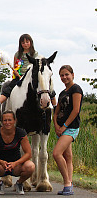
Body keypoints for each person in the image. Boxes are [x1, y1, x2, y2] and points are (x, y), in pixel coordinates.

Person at [0, 110, 35, 195]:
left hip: (16, 166)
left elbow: (28, 153)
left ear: (15, 121)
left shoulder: (21, 133)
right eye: (5, 120)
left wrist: (15, 163)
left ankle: (19, 183)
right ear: (1, 122)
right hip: (0, 166)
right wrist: (0, 162)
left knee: (30, 166)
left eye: (10, 120)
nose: (7, 123)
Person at [53, 65, 83, 196]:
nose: (64, 77)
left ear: (73, 75)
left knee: (56, 153)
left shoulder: (76, 89)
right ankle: (69, 185)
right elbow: (56, 112)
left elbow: (76, 110)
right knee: (67, 157)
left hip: (70, 128)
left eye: (66, 74)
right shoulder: (62, 93)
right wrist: (56, 125)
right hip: (60, 128)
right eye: (61, 75)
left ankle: (67, 183)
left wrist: (64, 126)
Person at [0, 34, 41, 111]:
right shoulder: (18, 54)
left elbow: (35, 66)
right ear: (20, 44)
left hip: (30, 76)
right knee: (9, 88)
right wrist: (15, 73)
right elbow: (15, 66)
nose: (25, 44)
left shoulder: (35, 54)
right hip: (19, 76)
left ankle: (49, 105)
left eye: (27, 42)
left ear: (31, 42)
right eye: (23, 43)